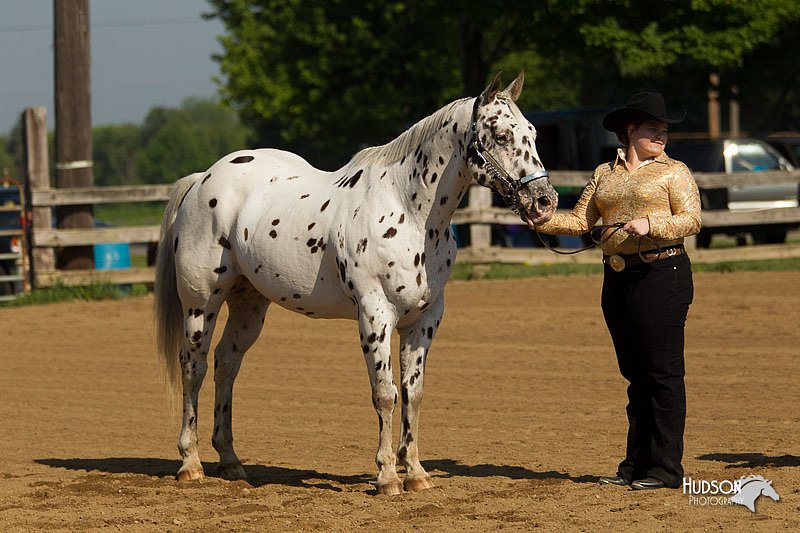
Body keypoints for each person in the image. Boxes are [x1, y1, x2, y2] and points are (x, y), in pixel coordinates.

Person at [534, 92, 701, 490]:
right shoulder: (604, 173)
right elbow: (579, 221)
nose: (661, 135)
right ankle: (635, 466)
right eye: (651, 128)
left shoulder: (674, 172)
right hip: (616, 278)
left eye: (663, 130)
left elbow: (693, 219)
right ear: (630, 130)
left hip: (663, 274)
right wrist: (542, 221)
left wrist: (652, 224)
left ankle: (665, 469)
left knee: (662, 374)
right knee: (635, 376)